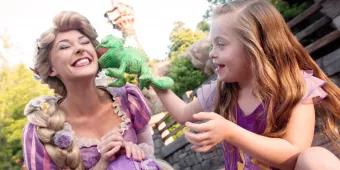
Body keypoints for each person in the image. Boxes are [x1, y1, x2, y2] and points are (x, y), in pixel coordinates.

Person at [153, 0, 340, 169]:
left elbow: (293, 154)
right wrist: (153, 80)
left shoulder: (296, 85)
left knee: (316, 158)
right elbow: (183, 114)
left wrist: (231, 132)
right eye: (212, 45)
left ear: (255, 47)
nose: (211, 53)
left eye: (220, 44)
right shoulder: (223, 90)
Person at [22, 11, 160, 170]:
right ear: (51, 69)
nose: (80, 49)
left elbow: (150, 154)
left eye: (84, 42)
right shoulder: (40, 130)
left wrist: (136, 155)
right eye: (65, 46)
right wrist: (102, 164)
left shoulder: (129, 98)